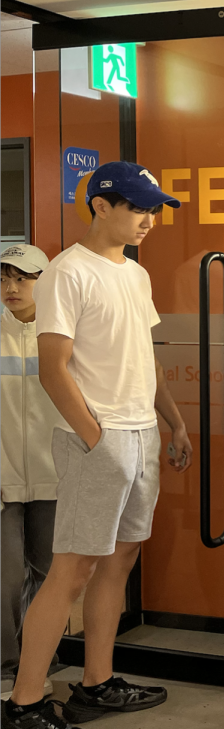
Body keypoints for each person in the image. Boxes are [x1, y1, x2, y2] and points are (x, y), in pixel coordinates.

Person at [3, 162, 192, 729]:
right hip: (98, 439)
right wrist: (97, 439)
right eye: (137, 208)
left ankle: (96, 683)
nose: (148, 220)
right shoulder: (67, 272)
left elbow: (144, 357)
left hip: (142, 432)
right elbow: (53, 369)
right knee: (72, 570)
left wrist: (174, 423)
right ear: (101, 206)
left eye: (152, 209)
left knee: (120, 560)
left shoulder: (135, 275)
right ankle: (25, 702)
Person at [2, 246, 62, 704]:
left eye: (23, 278)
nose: (12, 288)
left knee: (49, 573)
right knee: (5, 577)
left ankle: (40, 659)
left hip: (53, 475)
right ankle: (7, 666)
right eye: (4, 278)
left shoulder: (59, 333)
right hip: (3, 479)